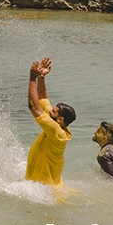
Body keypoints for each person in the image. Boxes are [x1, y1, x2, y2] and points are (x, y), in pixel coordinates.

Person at [25, 57, 75, 188]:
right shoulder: (59, 124)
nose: (49, 111)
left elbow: (34, 107)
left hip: (44, 189)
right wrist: (41, 77)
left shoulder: (55, 131)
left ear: (60, 119)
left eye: (53, 111)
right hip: (45, 185)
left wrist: (32, 78)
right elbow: (43, 98)